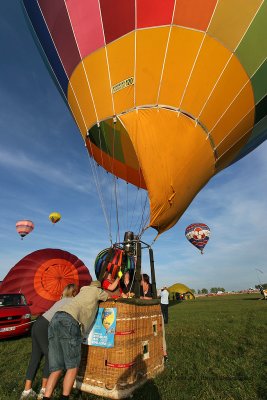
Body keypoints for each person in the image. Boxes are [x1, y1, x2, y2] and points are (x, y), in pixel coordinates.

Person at [42, 281, 108, 400]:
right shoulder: (97, 291)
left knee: (56, 368)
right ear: (98, 287)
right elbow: (110, 297)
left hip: (55, 319)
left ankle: (46, 397)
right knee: (72, 366)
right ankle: (65, 397)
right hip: (70, 321)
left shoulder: (82, 291)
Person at [20, 283, 78, 400]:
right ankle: (44, 389)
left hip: (38, 324)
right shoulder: (72, 301)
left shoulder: (60, 301)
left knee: (35, 357)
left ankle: (27, 390)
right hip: (46, 326)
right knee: (51, 357)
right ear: (74, 292)